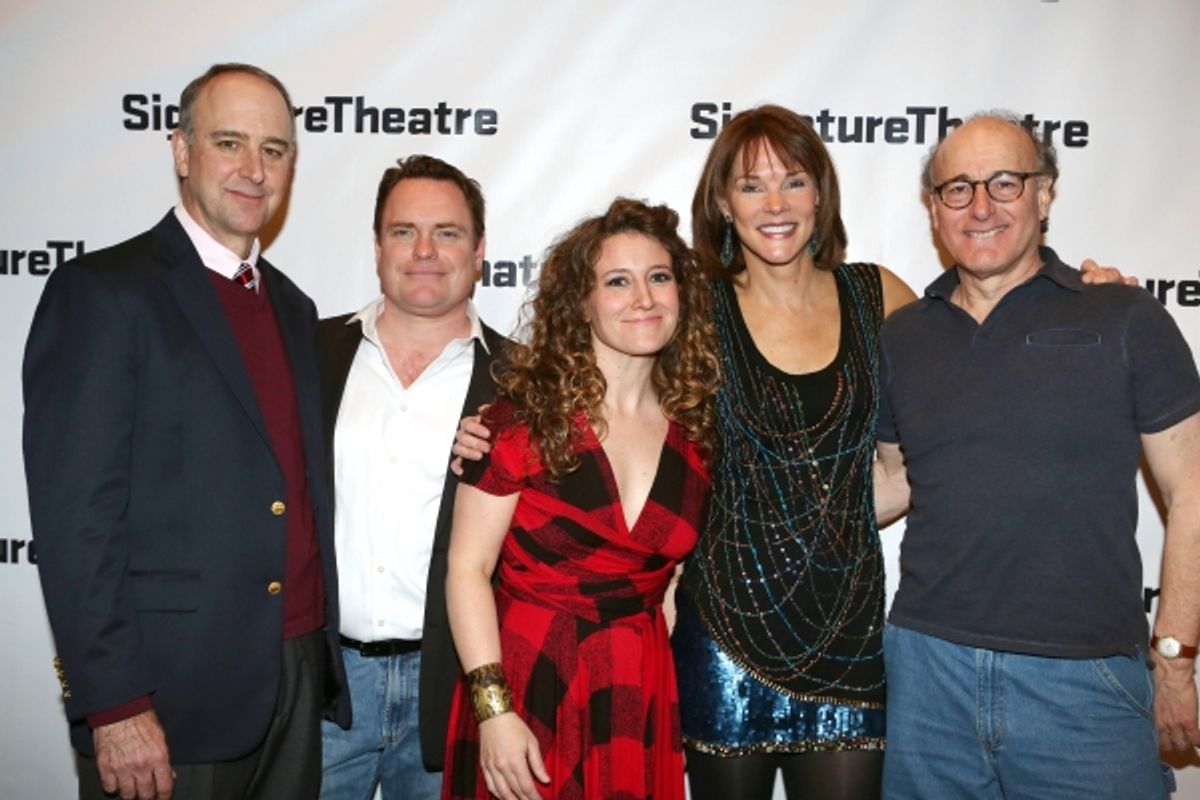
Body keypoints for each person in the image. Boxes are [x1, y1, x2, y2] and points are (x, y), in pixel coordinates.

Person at [22, 63, 347, 800]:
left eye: (274, 149)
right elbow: (76, 521)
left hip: (294, 674)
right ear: (180, 150)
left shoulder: (293, 308)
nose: (254, 169)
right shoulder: (103, 292)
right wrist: (115, 703)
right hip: (167, 695)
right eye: (230, 142)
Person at [874, 112, 1200, 799]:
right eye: (958, 189)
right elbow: (894, 481)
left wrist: (1174, 660)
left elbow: (1192, 488)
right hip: (928, 675)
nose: (981, 207)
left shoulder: (1125, 316)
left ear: (1044, 194)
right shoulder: (904, 337)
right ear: (934, 209)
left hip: (1083, 682)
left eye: (1005, 182)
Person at [441, 198, 719, 800]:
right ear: (582, 303)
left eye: (659, 277)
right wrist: (494, 710)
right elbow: (467, 568)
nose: (643, 298)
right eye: (617, 281)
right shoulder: (521, 418)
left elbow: (670, 586)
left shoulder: (697, 434)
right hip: (526, 679)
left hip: (636, 684)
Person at [317, 155, 506, 799]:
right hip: (325, 692)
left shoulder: (522, 384)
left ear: (478, 252)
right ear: (378, 248)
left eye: (447, 233)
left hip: (455, 691)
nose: (424, 250)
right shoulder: (308, 355)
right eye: (404, 231)